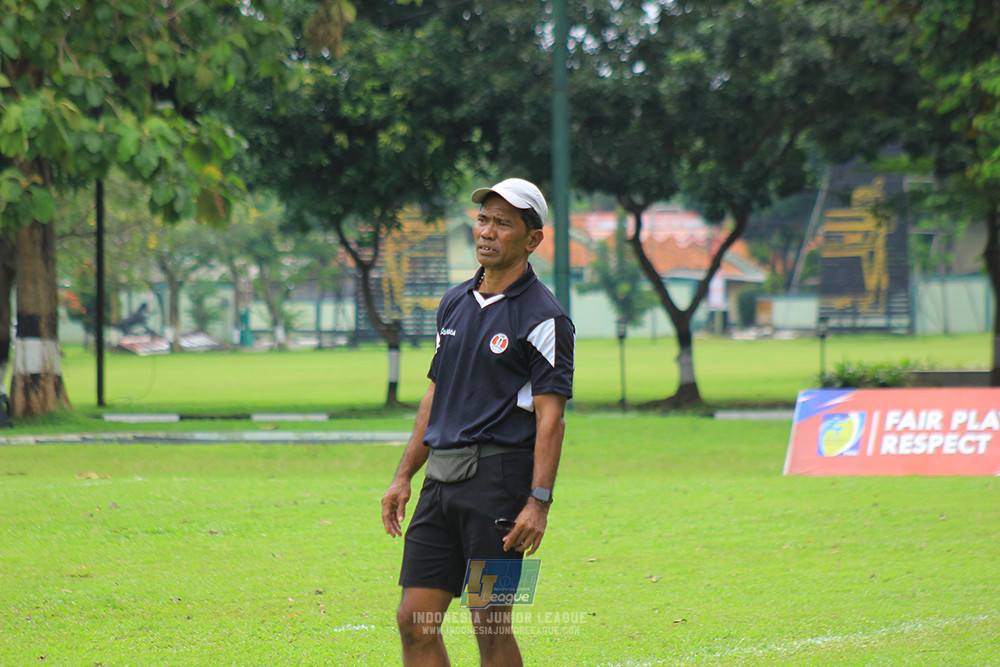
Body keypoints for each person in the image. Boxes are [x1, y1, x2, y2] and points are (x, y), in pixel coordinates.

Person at [381, 177, 574, 666]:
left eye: (502, 223)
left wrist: (539, 503)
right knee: (414, 619)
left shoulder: (546, 318)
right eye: (483, 219)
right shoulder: (454, 303)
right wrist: (404, 475)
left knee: (490, 621)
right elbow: (435, 393)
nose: (487, 231)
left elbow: (552, 421)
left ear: (532, 240)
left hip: (501, 488)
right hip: (440, 484)